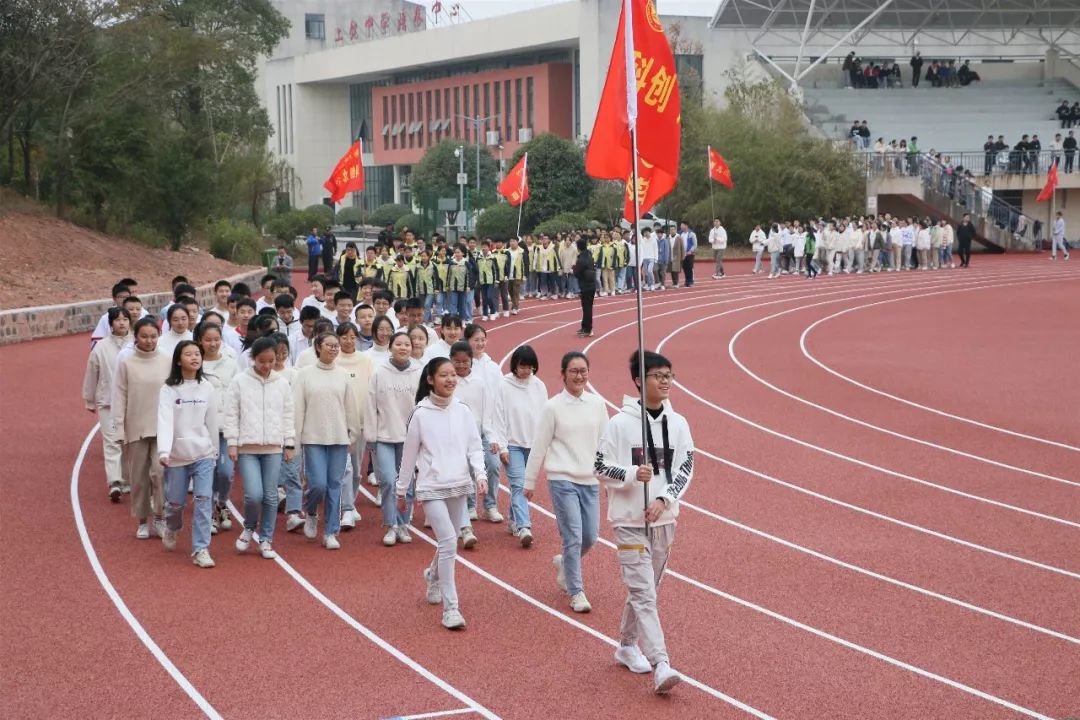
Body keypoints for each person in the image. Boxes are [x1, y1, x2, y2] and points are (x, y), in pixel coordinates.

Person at [595, 350, 693, 694]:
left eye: (669, 375)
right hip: (629, 521)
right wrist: (631, 474)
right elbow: (600, 465)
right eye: (658, 376)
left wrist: (665, 498)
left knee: (647, 589)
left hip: (665, 519)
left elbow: (685, 467)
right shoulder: (619, 424)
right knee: (643, 592)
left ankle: (625, 644)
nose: (666, 382)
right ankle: (661, 663)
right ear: (640, 380)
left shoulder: (678, 424)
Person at [397, 357, 486, 630]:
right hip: (431, 486)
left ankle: (433, 575)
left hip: (459, 482)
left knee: (450, 540)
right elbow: (409, 456)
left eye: (452, 375)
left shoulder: (463, 410)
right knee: (448, 541)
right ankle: (451, 609)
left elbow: (474, 446)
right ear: (430, 380)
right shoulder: (420, 413)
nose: (450, 379)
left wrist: (480, 474)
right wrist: (401, 491)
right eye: (443, 375)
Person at [524, 351, 609, 613]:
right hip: (561, 479)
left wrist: (609, 479)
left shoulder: (597, 404)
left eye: (583, 370)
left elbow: (606, 444)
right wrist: (529, 482)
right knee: (572, 536)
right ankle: (576, 591)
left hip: (589, 480)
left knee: (590, 536)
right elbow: (539, 445)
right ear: (563, 375)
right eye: (573, 371)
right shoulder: (552, 407)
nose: (579, 375)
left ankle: (564, 563)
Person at [225, 336, 295, 559]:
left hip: (273, 447)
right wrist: (232, 443)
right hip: (247, 447)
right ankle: (249, 527)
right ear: (253, 359)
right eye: (262, 361)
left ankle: (266, 538)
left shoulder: (282, 383)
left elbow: (288, 414)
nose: (266, 366)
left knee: (271, 496)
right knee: (254, 495)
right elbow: (231, 413)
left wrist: (289, 443)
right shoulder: (239, 381)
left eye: (271, 361)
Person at [293, 332, 360, 549]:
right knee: (318, 484)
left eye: (335, 345)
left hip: (339, 438)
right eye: (328, 345)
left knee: (335, 485)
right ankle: (311, 510)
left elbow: (350, 407)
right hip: (313, 438)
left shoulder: (343, 375)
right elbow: (298, 409)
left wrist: (352, 434)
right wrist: (296, 438)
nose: (333, 349)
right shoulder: (304, 375)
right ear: (318, 347)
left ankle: (331, 531)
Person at [157, 341, 219, 568]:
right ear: (178, 359)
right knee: (175, 503)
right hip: (176, 455)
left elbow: (212, 421)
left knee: (204, 500)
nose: (194, 357)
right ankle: (172, 527)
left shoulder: (207, 387)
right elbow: (165, 420)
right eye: (189, 354)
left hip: (203, 453)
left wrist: (215, 450)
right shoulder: (169, 389)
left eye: (197, 354)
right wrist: (164, 450)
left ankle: (201, 549)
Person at [112, 317, 172, 540]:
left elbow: (174, 392)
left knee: (160, 473)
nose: (149, 341)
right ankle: (142, 520)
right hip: (135, 426)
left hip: (162, 427)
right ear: (135, 337)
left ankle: (159, 516)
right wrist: (118, 428)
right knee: (138, 478)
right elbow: (119, 395)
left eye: (153, 336)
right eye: (144, 336)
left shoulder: (166, 359)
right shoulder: (126, 362)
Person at [364, 331, 422, 546]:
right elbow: (370, 405)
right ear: (391, 347)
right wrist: (370, 436)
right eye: (399, 344)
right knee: (388, 480)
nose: (403, 348)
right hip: (384, 436)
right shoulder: (379, 373)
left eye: (407, 344)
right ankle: (391, 525)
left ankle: (403, 523)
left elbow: (424, 405)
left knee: (406, 483)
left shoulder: (419, 371)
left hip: (410, 439)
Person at [497, 345, 547, 548]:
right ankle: (524, 526)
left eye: (529, 367)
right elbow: (498, 416)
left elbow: (546, 416)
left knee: (525, 485)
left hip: (533, 445)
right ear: (514, 366)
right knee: (518, 484)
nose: (525, 371)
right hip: (512, 443)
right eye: (521, 366)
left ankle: (514, 518)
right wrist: (502, 447)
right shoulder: (504, 385)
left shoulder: (539, 386)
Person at [194, 320, 239, 535]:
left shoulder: (231, 363)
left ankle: (222, 503)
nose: (213, 344)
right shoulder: (195, 365)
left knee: (226, 472)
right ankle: (210, 510)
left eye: (216, 339)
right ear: (200, 341)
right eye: (208, 340)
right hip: (203, 429)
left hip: (226, 428)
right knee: (208, 471)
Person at [83, 307, 132, 500]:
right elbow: (91, 372)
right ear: (110, 323)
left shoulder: (137, 343)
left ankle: (128, 479)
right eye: (117, 320)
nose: (121, 323)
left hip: (132, 402)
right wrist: (89, 399)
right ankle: (115, 482)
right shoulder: (101, 347)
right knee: (112, 442)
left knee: (129, 442)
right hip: (108, 402)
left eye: (125, 319)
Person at [334, 322, 374, 531]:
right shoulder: (333, 361)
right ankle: (345, 506)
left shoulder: (365, 361)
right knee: (344, 466)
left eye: (352, 337)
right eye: (344, 337)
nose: (348, 341)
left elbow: (371, 390)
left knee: (357, 468)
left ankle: (352, 499)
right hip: (338, 422)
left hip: (359, 422)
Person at [572, 238, 597, 338]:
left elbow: (577, 272)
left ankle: (588, 329)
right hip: (591, 284)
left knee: (587, 308)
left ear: (578, 248)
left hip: (585, 285)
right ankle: (584, 326)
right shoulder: (589, 256)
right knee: (587, 307)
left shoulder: (581, 259)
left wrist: (574, 268)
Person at [678, 222, 696, 287]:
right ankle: (686, 280)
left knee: (689, 267)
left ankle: (690, 281)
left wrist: (691, 250)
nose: (681, 227)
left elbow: (695, 244)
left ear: (686, 226)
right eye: (681, 225)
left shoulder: (691, 234)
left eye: (682, 225)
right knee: (685, 267)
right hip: (683, 254)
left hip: (690, 253)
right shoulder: (680, 234)